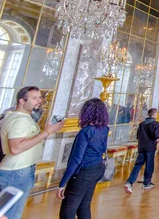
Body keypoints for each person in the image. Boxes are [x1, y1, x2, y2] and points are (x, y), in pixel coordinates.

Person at [0, 86, 64, 219]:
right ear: (21, 101)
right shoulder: (19, 120)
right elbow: (16, 148)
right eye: (34, 98)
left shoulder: (16, 116)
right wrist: (48, 132)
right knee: (10, 214)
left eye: (39, 97)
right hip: (17, 172)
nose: (39, 101)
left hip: (16, 170)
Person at [57, 98, 109, 219]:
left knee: (67, 212)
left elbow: (76, 159)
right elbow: (103, 148)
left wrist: (63, 182)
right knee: (84, 207)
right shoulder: (104, 128)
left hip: (84, 172)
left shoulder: (86, 131)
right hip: (97, 169)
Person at [124, 108, 159, 193]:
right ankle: (147, 183)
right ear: (154, 115)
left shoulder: (142, 124)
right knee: (149, 166)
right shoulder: (156, 124)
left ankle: (129, 182)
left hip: (141, 147)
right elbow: (156, 136)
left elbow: (138, 135)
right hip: (150, 148)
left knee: (137, 165)